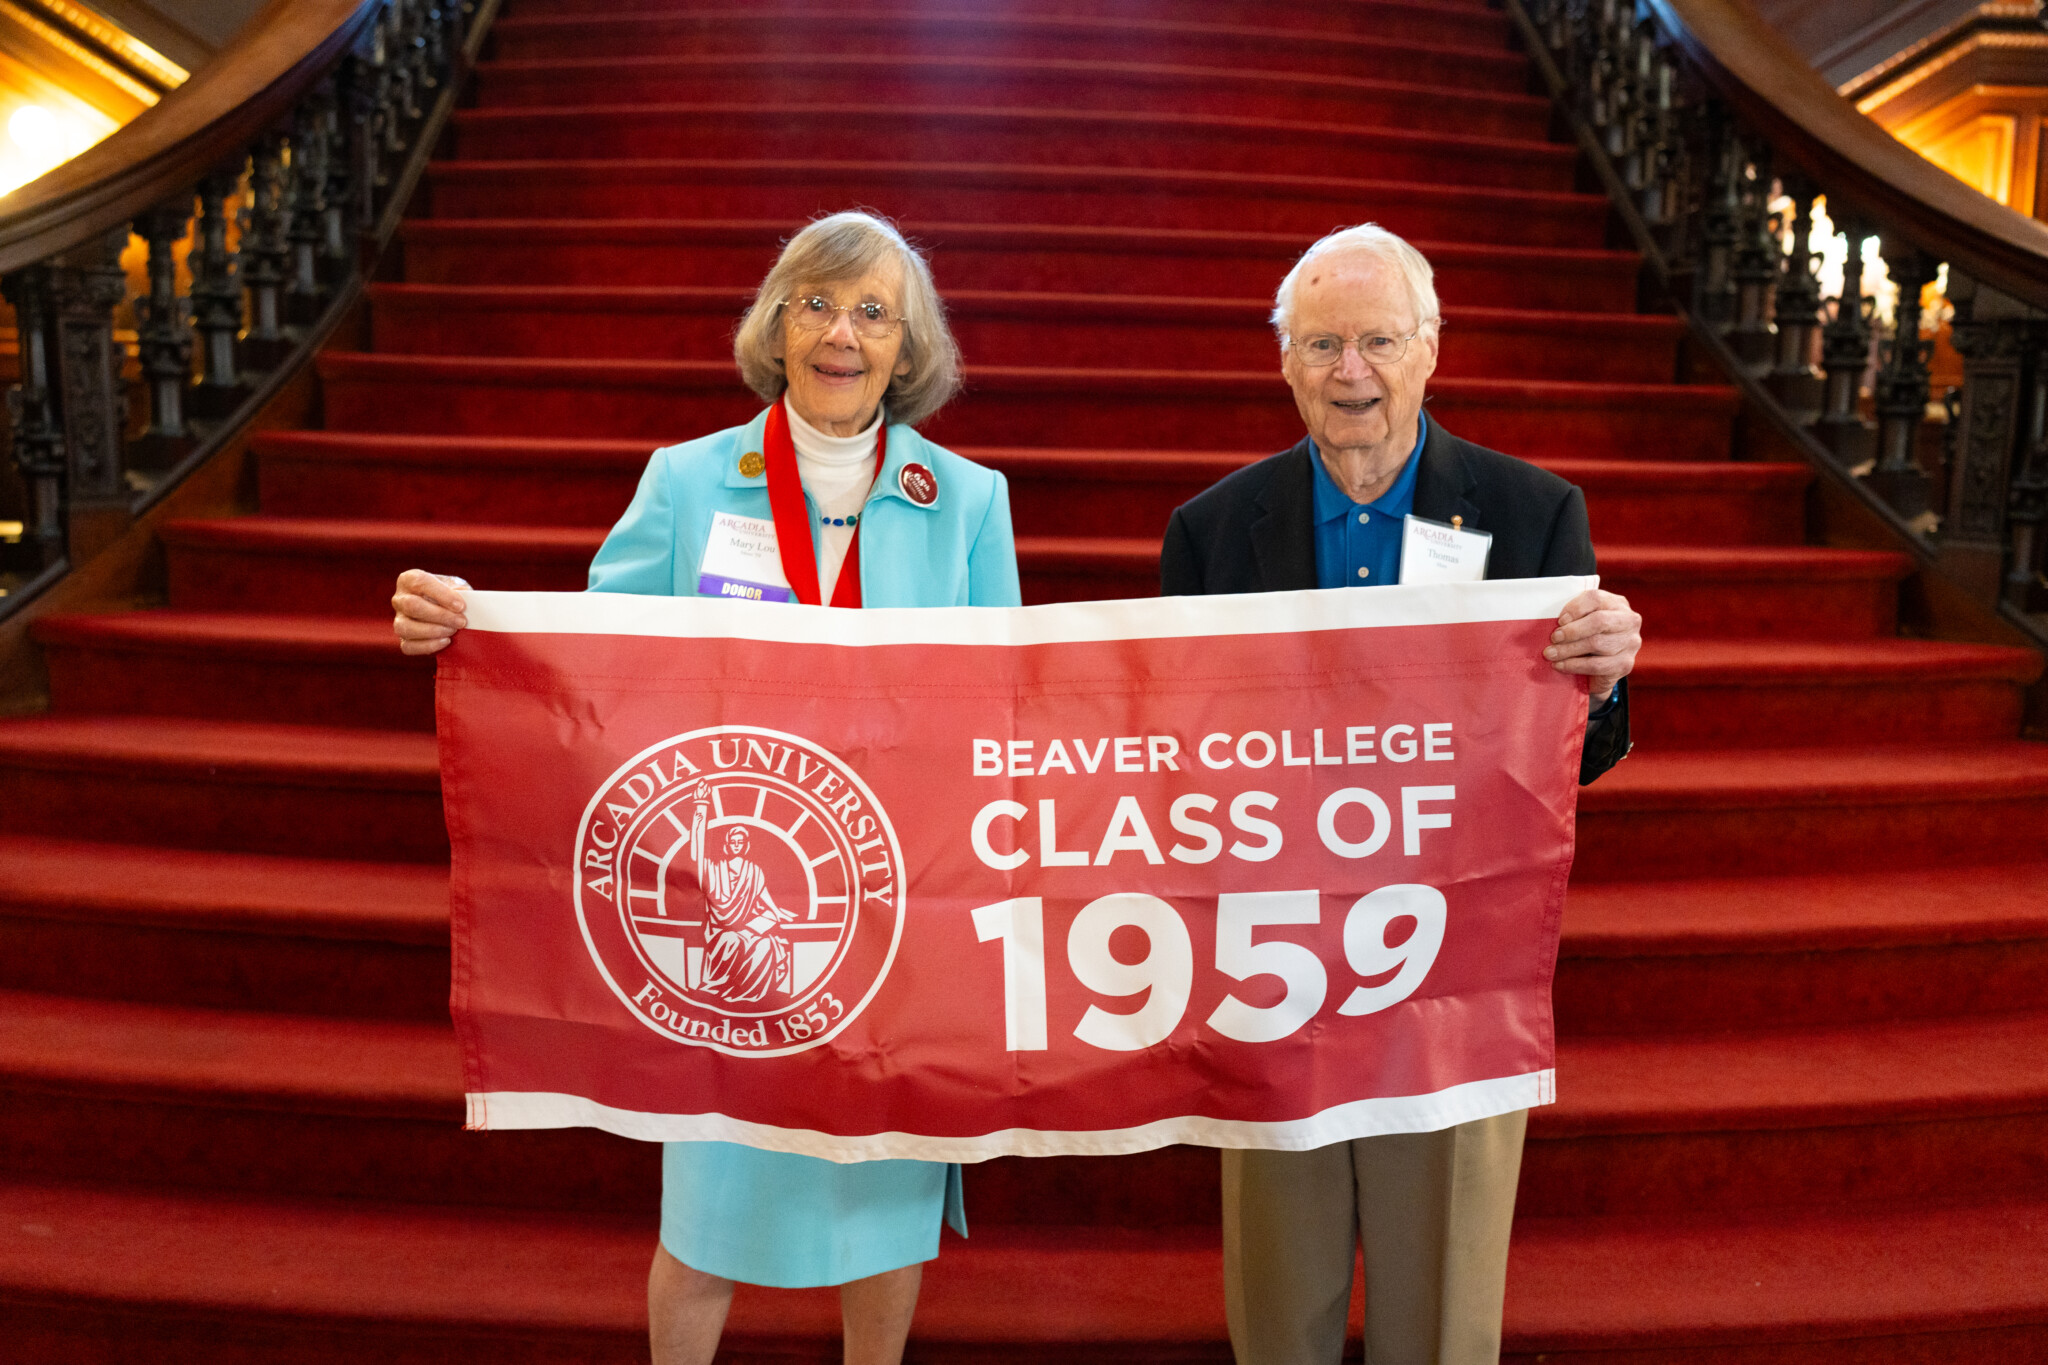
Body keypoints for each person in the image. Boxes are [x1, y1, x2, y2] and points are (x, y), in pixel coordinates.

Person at [392, 211, 1021, 1365]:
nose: (842, 334)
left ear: (907, 345)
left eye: (872, 313)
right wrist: (471, 625)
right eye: (816, 305)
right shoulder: (687, 482)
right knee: (709, 1216)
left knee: (885, 1211)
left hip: (898, 910)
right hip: (722, 893)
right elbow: (594, 663)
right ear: (776, 327)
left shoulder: (968, 500)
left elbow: (1002, 713)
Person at [1159, 223, 1642, 1365]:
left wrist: (1603, 681)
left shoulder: (1532, 515)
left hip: (1453, 959)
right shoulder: (1212, 533)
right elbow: (1172, 759)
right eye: (1320, 343)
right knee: (1280, 1309)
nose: (1350, 372)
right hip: (1278, 964)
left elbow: (1572, 757)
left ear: (1429, 351)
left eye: (1378, 340)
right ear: (1282, 361)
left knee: (1441, 1308)